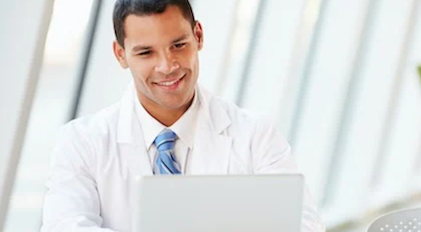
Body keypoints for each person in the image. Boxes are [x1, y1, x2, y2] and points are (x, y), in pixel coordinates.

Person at [40, 0, 325, 231]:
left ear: (198, 36)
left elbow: (304, 225)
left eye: (178, 45)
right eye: (146, 53)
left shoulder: (255, 135)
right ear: (120, 54)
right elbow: (64, 226)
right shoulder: (81, 142)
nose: (167, 66)